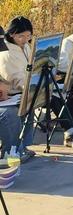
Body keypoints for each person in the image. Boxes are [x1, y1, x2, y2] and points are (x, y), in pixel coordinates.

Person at [0, 17, 35, 161]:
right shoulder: (6, 53)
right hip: (15, 90)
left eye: (28, 36)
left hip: (9, 95)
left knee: (29, 102)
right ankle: (10, 152)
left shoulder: (26, 46)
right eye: (21, 36)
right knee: (11, 113)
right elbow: (13, 77)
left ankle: (21, 147)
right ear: (12, 34)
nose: (25, 40)